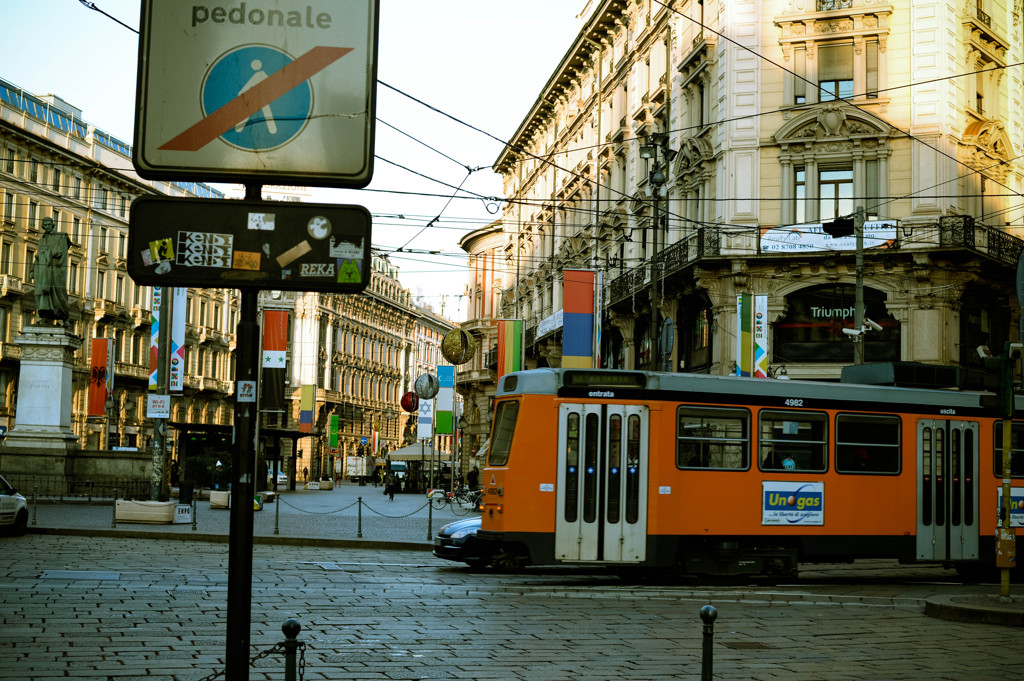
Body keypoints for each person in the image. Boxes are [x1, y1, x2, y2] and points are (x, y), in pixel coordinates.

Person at [33, 217, 71, 325]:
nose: (48, 226)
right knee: (44, 294)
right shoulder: (42, 240)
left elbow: (62, 251)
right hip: (43, 270)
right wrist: (33, 269)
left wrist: (48, 255)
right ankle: (45, 317)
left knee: (59, 293)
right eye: (46, 224)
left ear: (53, 225)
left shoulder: (60, 237)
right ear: (43, 226)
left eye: (50, 224)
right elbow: (38, 256)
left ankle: (65, 318)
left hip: (56, 269)